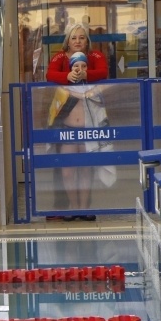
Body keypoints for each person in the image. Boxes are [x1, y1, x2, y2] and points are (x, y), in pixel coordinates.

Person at [45, 23, 108, 221]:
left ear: (87, 41)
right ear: (68, 41)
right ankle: (71, 206)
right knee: (67, 172)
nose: (78, 41)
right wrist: (67, 76)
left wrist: (87, 74)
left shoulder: (95, 56)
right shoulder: (60, 57)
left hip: (89, 124)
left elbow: (104, 72)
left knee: (86, 169)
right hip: (66, 126)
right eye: (74, 38)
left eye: (82, 37)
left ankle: (83, 207)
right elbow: (50, 74)